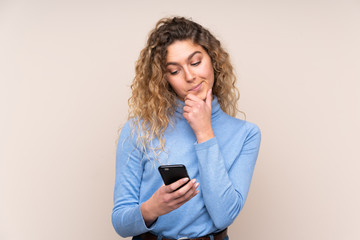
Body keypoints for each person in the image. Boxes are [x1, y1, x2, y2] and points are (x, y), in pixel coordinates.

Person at [112, 17, 261, 240]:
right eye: (174, 71)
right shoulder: (138, 130)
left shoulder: (246, 134)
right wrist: (153, 208)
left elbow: (224, 216)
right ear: (164, 79)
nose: (190, 77)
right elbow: (121, 224)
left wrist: (204, 132)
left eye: (195, 62)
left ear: (213, 59)